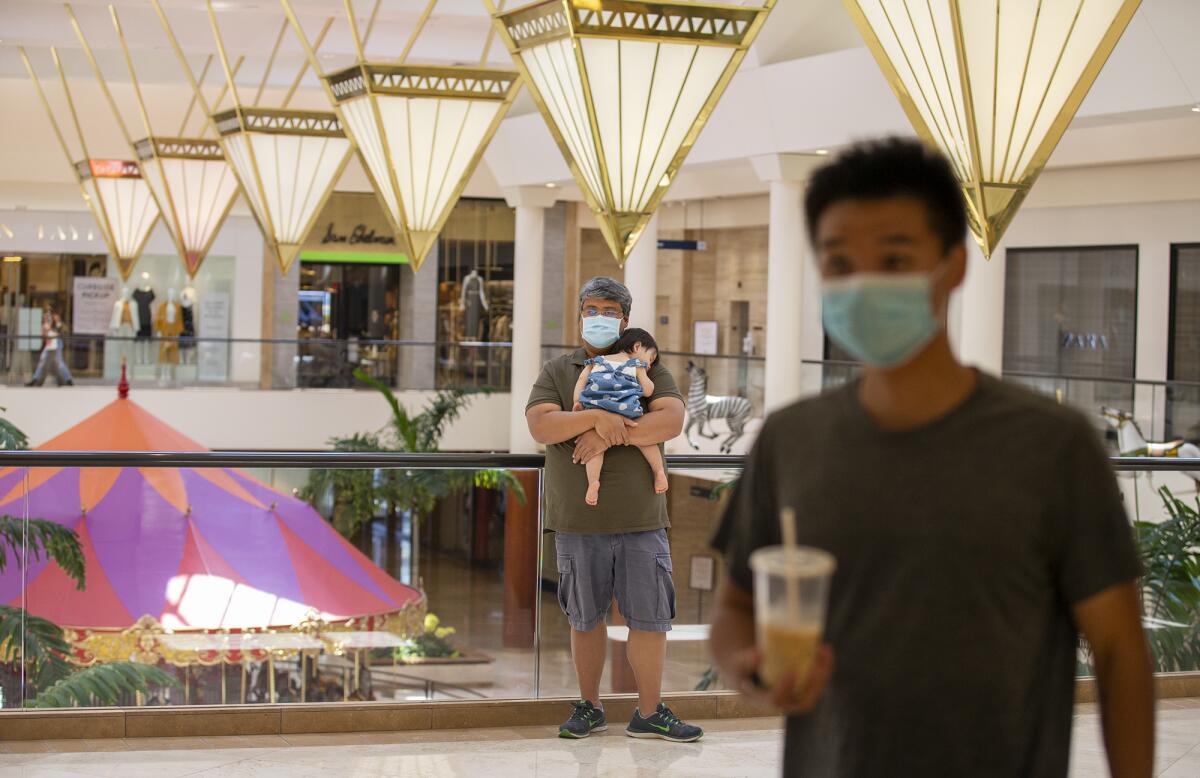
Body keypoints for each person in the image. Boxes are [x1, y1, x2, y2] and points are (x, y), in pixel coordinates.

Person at [709, 138, 1154, 777]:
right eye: (840, 263)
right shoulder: (791, 439)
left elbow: (1119, 648)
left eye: (894, 259)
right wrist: (748, 667)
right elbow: (735, 607)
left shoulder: (1052, 445)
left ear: (952, 266)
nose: (864, 284)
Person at [526, 276, 702, 742]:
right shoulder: (559, 370)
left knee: (650, 620)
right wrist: (597, 418)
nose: (598, 317)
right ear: (579, 313)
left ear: (624, 318)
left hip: (644, 520)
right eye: (591, 308)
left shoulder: (646, 362)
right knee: (585, 619)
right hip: (578, 521)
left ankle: (650, 712)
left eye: (608, 310)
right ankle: (590, 706)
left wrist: (600, 432)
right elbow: (542, 426)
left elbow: (671, 420)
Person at [572, 327, 669, 505]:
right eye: (651, 358)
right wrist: (645, 375)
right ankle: (659, 471)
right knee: (646, 441)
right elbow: (648, 390)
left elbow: (581, 380)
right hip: (625, 408)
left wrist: (577, 401)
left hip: (596, 407)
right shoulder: (636, 365)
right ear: (638, 346)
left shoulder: (597, 361)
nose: (650, 364)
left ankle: (593, 482)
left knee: (594, 451)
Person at [26, 306, 74, 387]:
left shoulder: (58, 323)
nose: (47, 315)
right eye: (46, 313)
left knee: (59, 362)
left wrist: (54, 326)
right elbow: (44, 335)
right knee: (42, 361)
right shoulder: (47, 322)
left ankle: (68, 379)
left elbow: (62, 332)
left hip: (57, 343)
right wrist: (45, 329)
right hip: (49, 344)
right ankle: (35, 379)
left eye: (49, 313)